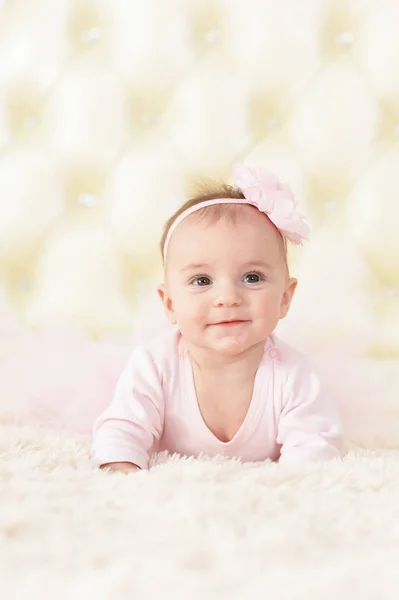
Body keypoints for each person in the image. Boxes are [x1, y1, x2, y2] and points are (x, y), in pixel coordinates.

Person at [92, 164, 342, 473]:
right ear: (169, 304)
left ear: (284, 298)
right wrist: (123, 468)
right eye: (202, 281)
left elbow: (313, 448)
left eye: (252, 277)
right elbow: (123, 428)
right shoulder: (156, 364)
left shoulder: (294, 374)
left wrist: (289, 488)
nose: (228, 297)